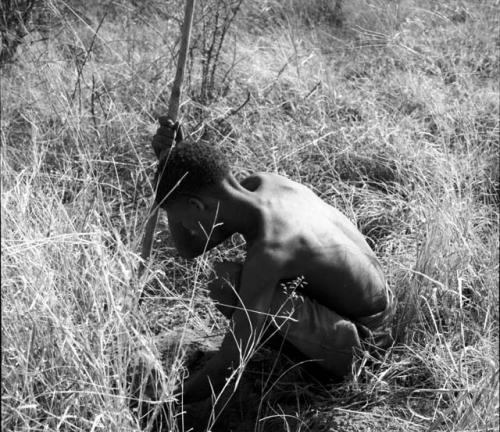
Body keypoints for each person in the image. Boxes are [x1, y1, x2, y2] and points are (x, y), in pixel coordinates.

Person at [151, 119, 395, 407]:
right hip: (375, 307)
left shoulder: (272, 249)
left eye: (182, 219)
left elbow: (230, 360)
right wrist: (171, 166)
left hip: (367, 347)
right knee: (227, 280)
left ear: (196, 206)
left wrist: (165, 405)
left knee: (241, 292)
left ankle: (316, 378)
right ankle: (300, 352)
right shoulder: (264, 185)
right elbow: (190, 249)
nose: (184, 227)